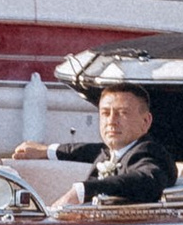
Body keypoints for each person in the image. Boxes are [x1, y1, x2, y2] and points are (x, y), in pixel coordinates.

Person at [43, 73, 175, 214]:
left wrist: (83, 190)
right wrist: (48, 151)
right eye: (105, 113)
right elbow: (88, 151)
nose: (111, 121)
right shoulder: (114, 151)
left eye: (122, 113)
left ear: (145, 121)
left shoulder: (151, 153)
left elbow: (148, 179)